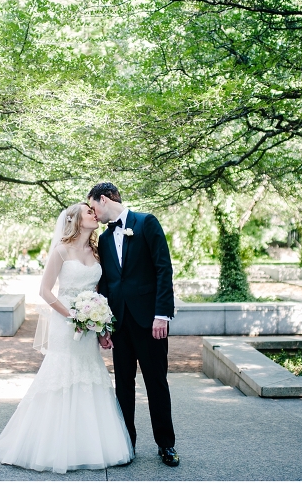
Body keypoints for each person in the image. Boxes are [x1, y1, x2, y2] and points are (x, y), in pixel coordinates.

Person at [0, 203, 133, 474]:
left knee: (88, 375)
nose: (94, 214)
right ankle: (48, 445)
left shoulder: (96, 251)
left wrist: (101, 327)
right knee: (62, 374)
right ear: (76, 220)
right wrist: (73, 315)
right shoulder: (61, 250)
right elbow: (44, 291)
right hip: (66, 322)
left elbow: (99, 292)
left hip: (89, 324)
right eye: (88, 212)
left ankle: (87, 445)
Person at [87, 182, 179, 467]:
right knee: (123, 386)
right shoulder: (104, 239)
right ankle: (126, 443)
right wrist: (103, 327)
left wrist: (162, 314)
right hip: (120, 323)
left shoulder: (146, 222)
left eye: (93, 206)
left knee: (156, 383)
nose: (93, 213)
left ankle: (166, 444)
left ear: (104, 200)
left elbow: (163, 269)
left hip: (150, 321)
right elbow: (106, 283)